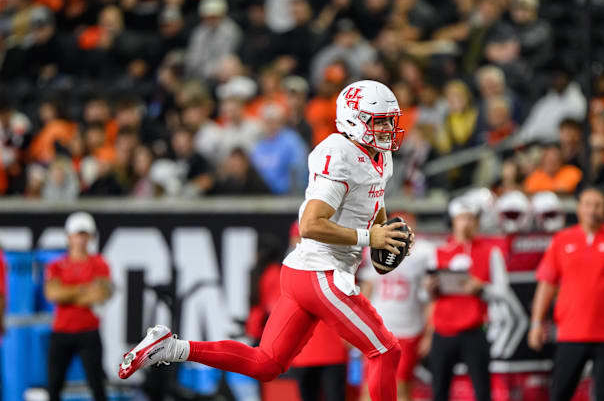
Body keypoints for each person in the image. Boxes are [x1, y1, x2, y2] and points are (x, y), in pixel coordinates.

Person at [118, 80, 413, 401]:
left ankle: (171, 346)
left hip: (303, 273)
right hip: (321, 272)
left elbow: (373, 203)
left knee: (266, 363)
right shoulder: (340, 154)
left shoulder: (379, 157)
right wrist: (371, 236)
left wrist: (386, 238)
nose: (387, 129)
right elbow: (310, 224)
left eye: (389, 120)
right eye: (379, 121)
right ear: (354, 120)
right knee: (385, 351)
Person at [528, 185, 604, 401]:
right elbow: (546, 284)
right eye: (587, 204)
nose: (592, 209)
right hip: (570, 332)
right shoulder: (562, 240)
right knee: (559, 393)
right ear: (578, 208)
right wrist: (536, 323)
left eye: (597, 205)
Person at [360, 211, 434, 401]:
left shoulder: (424, 253)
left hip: (408, 329)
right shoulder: (375, 249)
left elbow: (429, 298)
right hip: (379, 328)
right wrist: (357, 322)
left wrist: (428, 333)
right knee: (371, 386)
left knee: (401, 386)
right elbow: (367, 288)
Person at [424, 196, 491, 401]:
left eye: (470, 218)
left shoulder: (489, 252)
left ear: (477, 222)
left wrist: (482, 289)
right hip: (443, 329)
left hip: (474, 329)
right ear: (452, 221)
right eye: (461, 218)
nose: (466, 223)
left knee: (482, 390)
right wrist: (429, 289)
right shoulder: (437, 252)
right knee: (439, 390)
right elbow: (428, 297)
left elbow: (502, 292)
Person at [44, 212, 113, 401]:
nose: (80, 240)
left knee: (97, 386)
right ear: (68, 236)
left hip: (88, 332)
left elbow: (100, 295)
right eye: (77, 234)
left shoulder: (99, 264)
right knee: (54, 386)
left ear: (90, 236)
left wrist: (67, 293)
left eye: (84, 234)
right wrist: (84, 289)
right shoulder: (56, 265)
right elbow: (52, 294)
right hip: (61, 332)